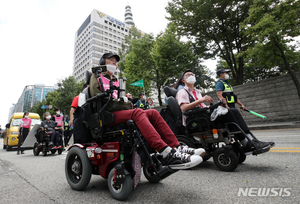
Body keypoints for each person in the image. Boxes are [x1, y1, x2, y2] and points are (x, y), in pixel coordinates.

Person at [89, 53, 205, 170]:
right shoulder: (96, 76)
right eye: (111, 60)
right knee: (138, 112)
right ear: (103, 62)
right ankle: (164, 152)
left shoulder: (115, 79)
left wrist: (126, 99)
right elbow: (99, 98)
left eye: (115, 61)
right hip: (106, 113)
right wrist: (125, 102)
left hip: (120, 110)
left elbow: (118, 98)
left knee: (153, 112)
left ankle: (176, 146)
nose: (114, 63)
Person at [176, 70, 273, 153]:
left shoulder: (197, 91)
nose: (191, 76)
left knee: (233, 111)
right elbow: (184, 108)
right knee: (229, 113)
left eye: (193, 74)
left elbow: (203, 106)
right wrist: (201, 100)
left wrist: (216, 104)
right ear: (183, 80)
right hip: (195, 120)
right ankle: (246, 142)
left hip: (202, 115)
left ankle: (250, 139)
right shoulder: (182, 92)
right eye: (188, 75)